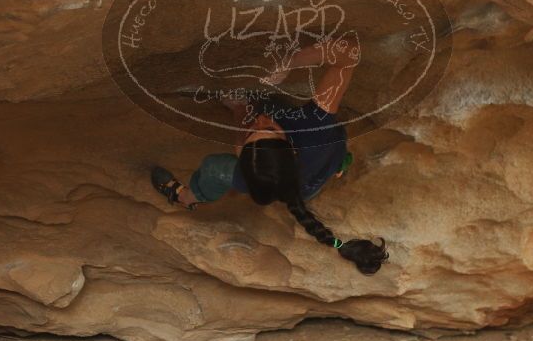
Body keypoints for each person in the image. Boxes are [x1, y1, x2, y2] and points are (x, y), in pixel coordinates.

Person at [151, 34, 388, 275]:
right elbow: (349, 53)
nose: (262, 121)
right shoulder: (315, 123)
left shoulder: (247, 174)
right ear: (290, 148)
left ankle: (189, 197)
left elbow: (243, 138)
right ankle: (338, 164)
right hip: (314, 174)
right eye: (268, 129)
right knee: (273, 116)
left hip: (310, 175)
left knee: (215, 166)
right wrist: (289, 62)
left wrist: (241, 109)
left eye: (259, 130)